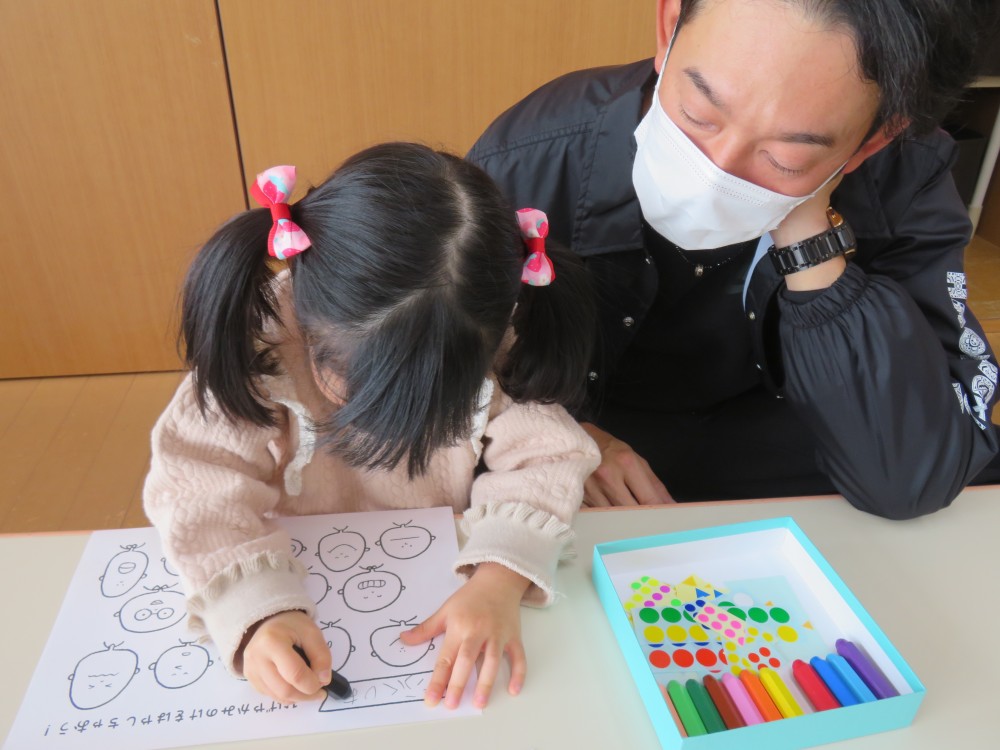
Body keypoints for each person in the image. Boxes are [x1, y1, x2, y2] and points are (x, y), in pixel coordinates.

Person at [469, 0, 1000, 519]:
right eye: (699, 115)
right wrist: (561, 434)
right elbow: (453, 368)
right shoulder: (534, 156)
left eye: (784, 156)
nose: (716, 171)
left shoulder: (907, 175)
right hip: (589, 432)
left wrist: (807, 230)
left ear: (870, 143)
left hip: (785, 441)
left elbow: (909, 472)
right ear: (670, 25)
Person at [142, 143, 599, 710]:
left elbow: (548, 458)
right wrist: (255, 611)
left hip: (427, 578)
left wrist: (498, 578)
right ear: (311, 332)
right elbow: (197, 490)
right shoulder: (257, 351)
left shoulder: (487, 338)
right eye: (364, 392)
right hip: (301, 579)